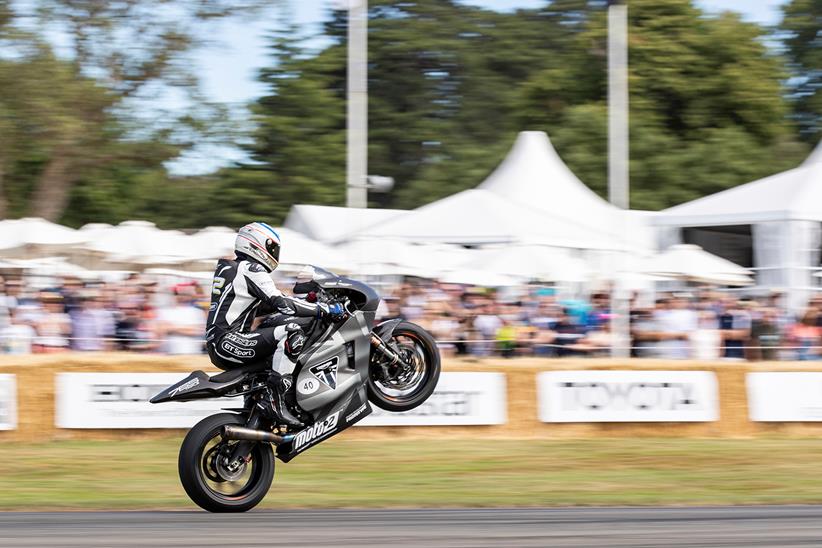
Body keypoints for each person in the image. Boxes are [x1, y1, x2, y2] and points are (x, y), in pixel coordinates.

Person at [205, 222, 345, 428]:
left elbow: (260, 308)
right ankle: (275, 400)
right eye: (272, 248)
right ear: (256, 244)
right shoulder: (250, 269)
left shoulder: (231, 269)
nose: (274, 254)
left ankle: (256, 404)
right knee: (292, 332)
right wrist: (323, 309)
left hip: (222, 342)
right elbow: (283, 303)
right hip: (229, 341)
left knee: (274, 332)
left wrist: (307, 301)